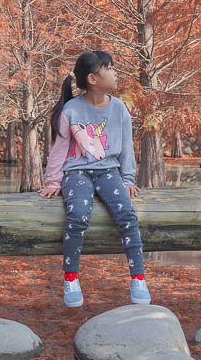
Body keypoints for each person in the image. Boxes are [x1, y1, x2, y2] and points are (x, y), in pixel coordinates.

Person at [39, 50, 149, 308]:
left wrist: (128, 178)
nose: (115, 73)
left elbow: (126, 147)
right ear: (92, 78)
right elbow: (59, 148)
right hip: (76, 172)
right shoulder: (71, 109)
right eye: (109, 68)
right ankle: (71, 278)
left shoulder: (119, 108)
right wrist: (53, 182)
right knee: (78, 216)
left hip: (108, 171)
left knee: (128, 217)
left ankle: (138, 278)